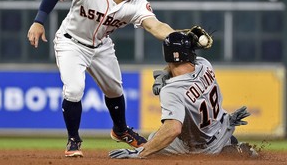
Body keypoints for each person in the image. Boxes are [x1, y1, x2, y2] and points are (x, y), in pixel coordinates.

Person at [27, 0, 177, 158]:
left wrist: (178, 36)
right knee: (74, 89)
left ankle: (121, 130)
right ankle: (73, 140)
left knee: (114, 89)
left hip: (101, 46)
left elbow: (155, 26)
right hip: (70, 42)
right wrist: (38, 21)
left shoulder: (137, 4)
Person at [109, 31, 258, 159]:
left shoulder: (171, 91)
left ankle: (223, 152)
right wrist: (164, 74)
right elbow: (179, 64)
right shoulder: (204, 65)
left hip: (202, 147)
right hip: (223, 125)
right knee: (159, 138)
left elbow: (173, 129)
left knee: (153, 142)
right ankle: (230, 142)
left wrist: (140, 152)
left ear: (167, 54)